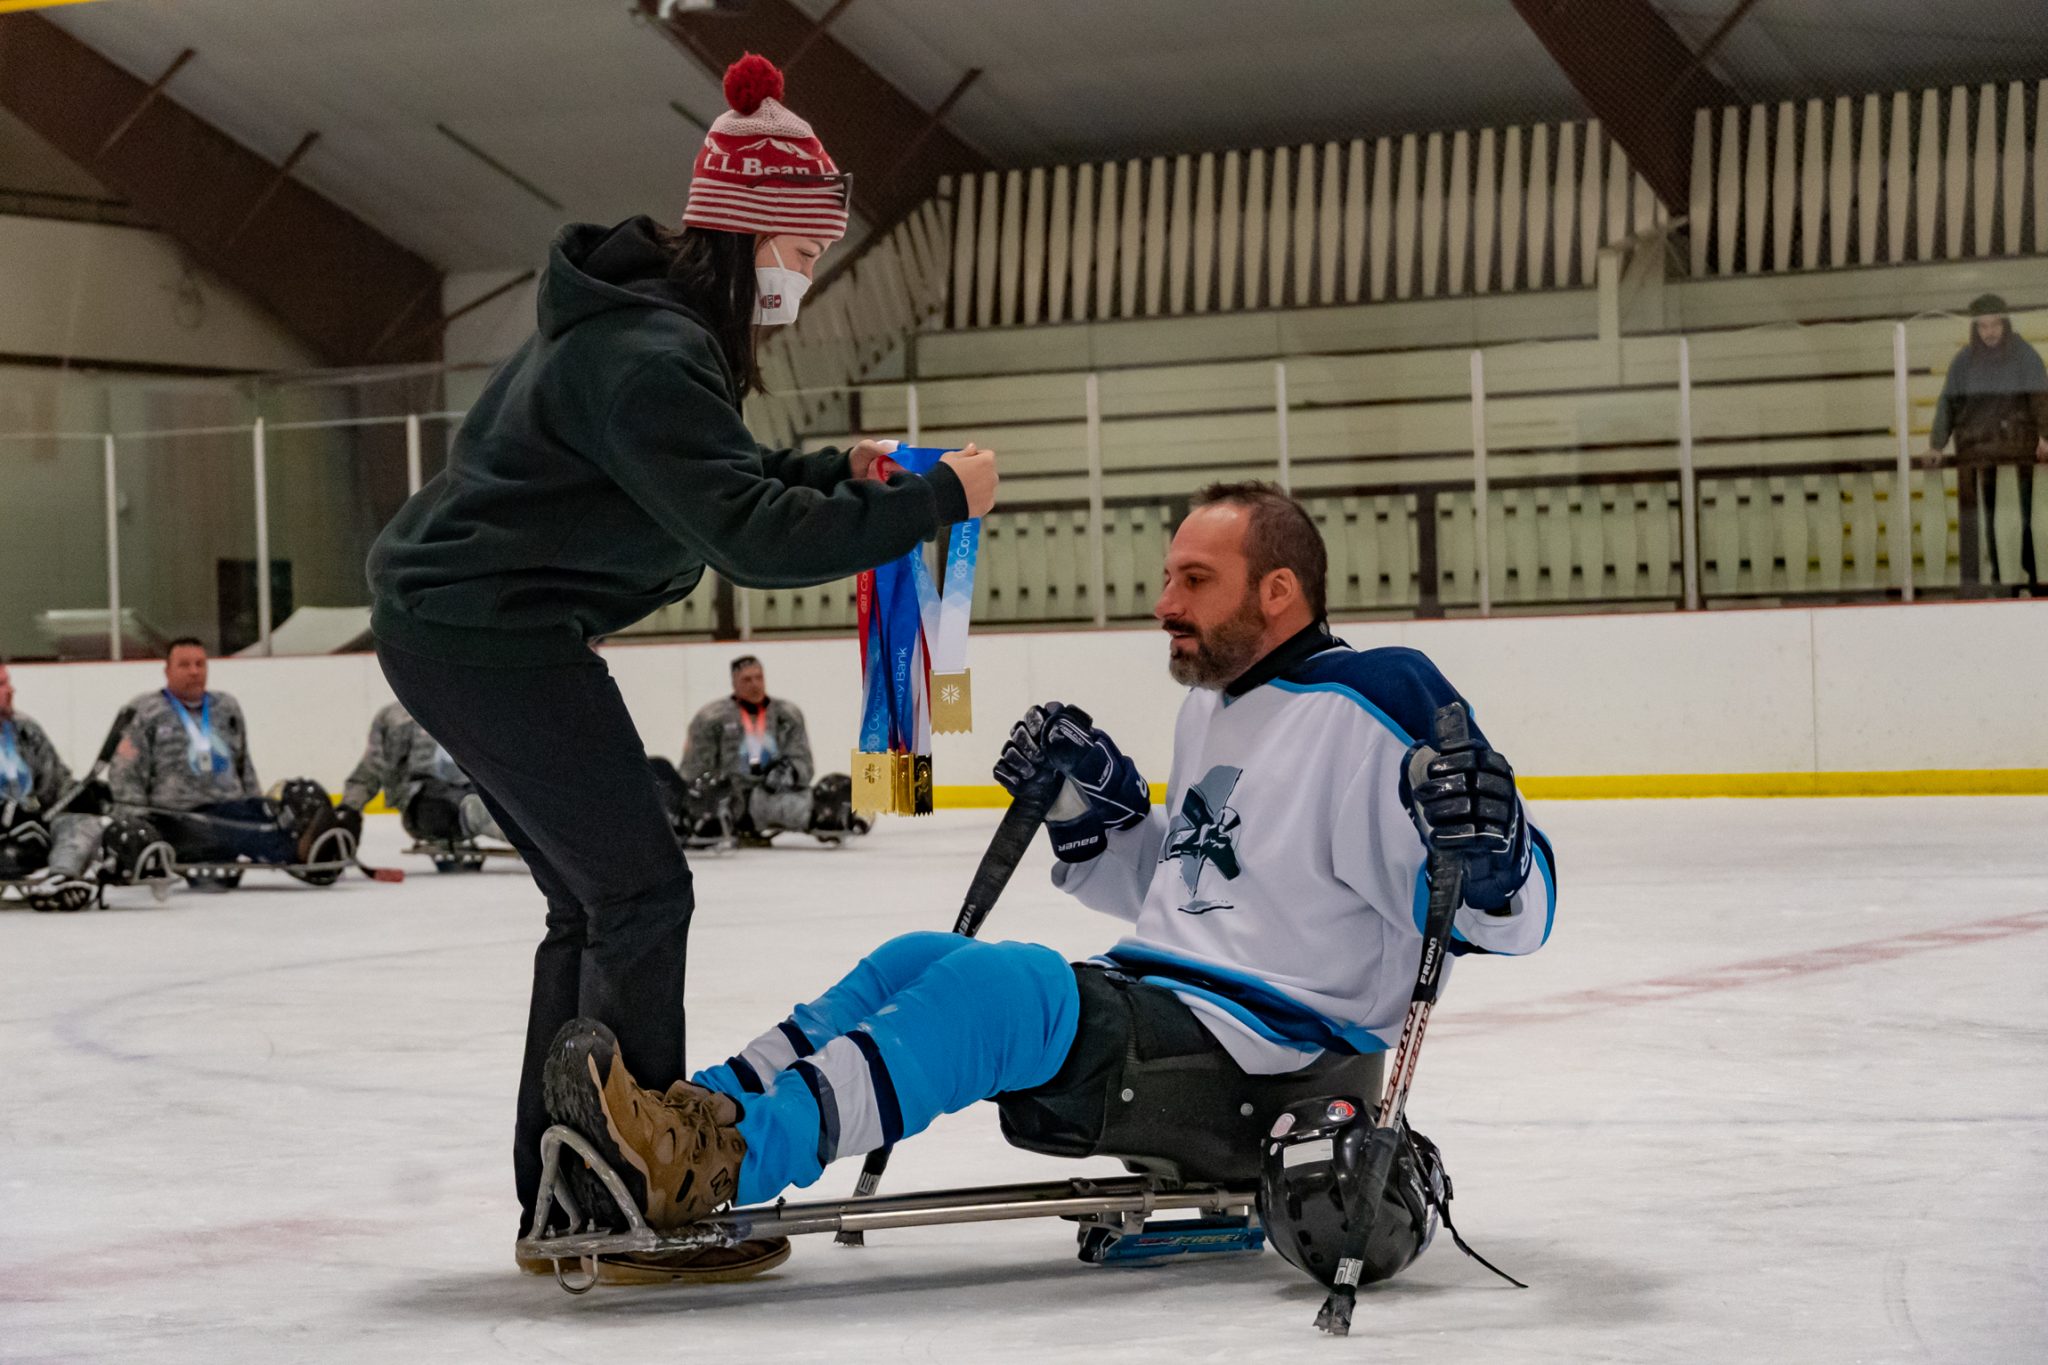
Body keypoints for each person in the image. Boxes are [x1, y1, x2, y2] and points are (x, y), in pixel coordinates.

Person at [538, 482, 1556, 1293]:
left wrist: (1498, 846)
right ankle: (689, 1114)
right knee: (918, 960)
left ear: (1277, 592)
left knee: (1004, 992)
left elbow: (1490, 908)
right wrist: (1094, 808)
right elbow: (1193, 897)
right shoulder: (1219, 706)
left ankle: (721, 1166)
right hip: (1183, 1006)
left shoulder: (1377, 695)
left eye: (1193, 581)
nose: (1164, 604)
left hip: (1275, 1055)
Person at [365, 53, 999, 1281]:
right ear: (755, 237)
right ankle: (643, 1188)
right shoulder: (648, 357)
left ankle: (571, 1192)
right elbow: (749, 537)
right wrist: (927, 501)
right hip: (487, 635)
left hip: (470, 626)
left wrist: (841, 476)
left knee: (591, 905)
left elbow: (725, 480)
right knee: (641, 895)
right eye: (805, 254)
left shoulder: (643, 338)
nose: (806, 279)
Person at [110, 638, 351, 881]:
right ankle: (302, 851)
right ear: (167, 670)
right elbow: (125, 771)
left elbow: (243, 762)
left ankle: (320, 835)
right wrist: (138, 825)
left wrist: (257, 799)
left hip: (232, 805)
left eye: (200, 664)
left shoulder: (225, 707)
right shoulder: (146, 711)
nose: (194, 671)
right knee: (237, 832)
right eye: (184, 665)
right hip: (179, 814)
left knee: (273, 812)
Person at [1924, 294, 2048, 594]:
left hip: (2021, 455)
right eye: (1983, 327)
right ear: (1974, 328)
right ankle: (2002, 582)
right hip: (1981, 456)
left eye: (1994, 325)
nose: (1989, 332)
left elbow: (2040, 398)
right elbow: (1948, 403)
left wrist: (2045, 436)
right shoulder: (1964, 360)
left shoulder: (2025, 355)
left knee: (2026, 519)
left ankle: (2034, 579)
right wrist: (1936, 444)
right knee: (1993, 522)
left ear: (2005, 324)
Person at [674, 655, 862, 842]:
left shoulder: (787, 714)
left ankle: (848, 817)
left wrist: (790, 771)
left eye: (759, 678)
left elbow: (803, 761)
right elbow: (693, 769)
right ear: (734, 683)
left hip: (774, 793)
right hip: (731, 795)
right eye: (747, 679)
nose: (754, 684)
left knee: (831, 797)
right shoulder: (712, 717)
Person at [342, 700, 506, 848]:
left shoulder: (466, 709)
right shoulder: (395, 716)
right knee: (476, 808)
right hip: (424, 803)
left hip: (470, 788)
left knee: (498, 804)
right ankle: (527, 837)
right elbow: (371, 769)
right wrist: (349, 809)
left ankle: (525, 832)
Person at [0, 663, 94, 908]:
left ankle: (59, 879)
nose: (11, 690)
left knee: (80, 822)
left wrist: (81, 794)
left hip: (29, 835)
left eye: (8, 681)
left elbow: (55, 786)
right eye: (1, 685)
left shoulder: (25, 729)